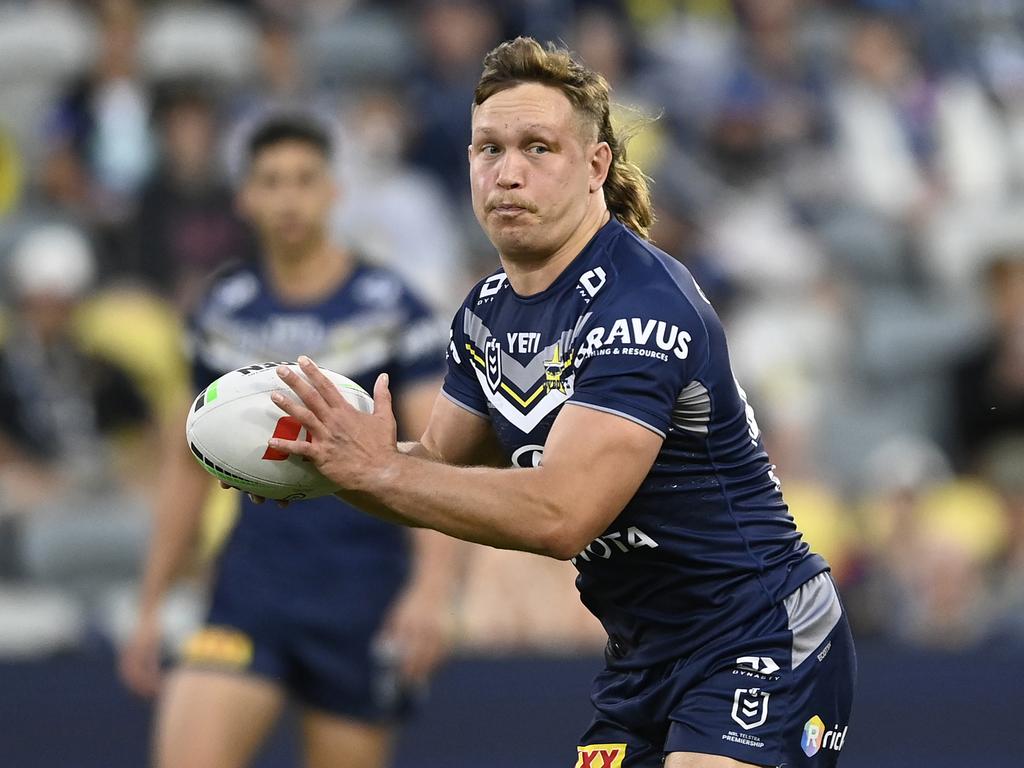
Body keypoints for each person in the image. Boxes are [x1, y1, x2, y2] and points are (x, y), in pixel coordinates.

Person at [257, 37, 857, 768]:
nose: (508, 172)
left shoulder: (644, 306)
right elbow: (435, 472)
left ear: (596, 166)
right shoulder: (482, 314)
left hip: (760, 637)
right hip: (643, 661)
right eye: (489, 149)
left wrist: (377, 472)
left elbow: (561, 513)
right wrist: (321, 464)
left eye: (538, 148)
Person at [119, 114, 459, 768]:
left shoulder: (392, 307)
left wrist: (431, 592)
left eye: (305, 180)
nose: (289, 198)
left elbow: (436, 455)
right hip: (253, 585)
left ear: (333, 191)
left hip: (363, 591)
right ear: (245, 197)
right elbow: (187, 467)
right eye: (271, 181)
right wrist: (151, 601)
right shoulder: (223, 312)